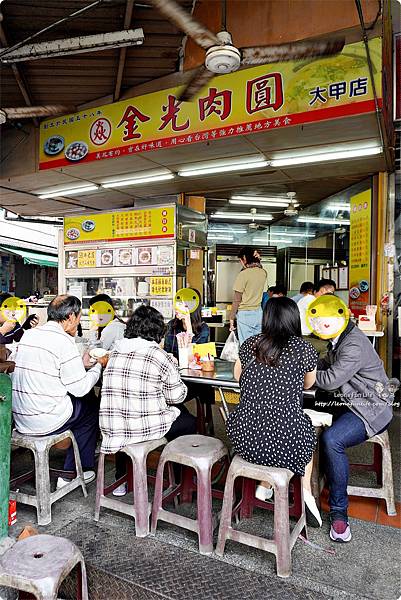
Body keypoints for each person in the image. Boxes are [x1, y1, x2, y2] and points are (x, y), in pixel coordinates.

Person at [226, 297, 321, 526]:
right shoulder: (305, 349)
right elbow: (308, 384)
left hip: (244, 440)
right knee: (306, 433)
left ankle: (264, 486)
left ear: (266, 319)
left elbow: (239, 377)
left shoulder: (250, 344)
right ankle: (304, 491)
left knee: (280, 426)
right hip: (285, 442)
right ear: (294, 319)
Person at [100, 304, 197, 497]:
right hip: (142, 429)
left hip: (112, 429)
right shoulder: (159, 356)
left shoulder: (115, 353)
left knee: (124, 414)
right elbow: (176, 396)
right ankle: (177, 482)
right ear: (158, 331)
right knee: (188, 421)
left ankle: (122, 479)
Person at [12, 295, 108, 486]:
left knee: (81, 402)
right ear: (71, 317)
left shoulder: (30, 334)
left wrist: (81, 364)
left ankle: (71, 463)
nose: (78, 322)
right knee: (90, 409)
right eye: (79, 317)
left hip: (21, 418)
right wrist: (99, 366)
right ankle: (70, 474)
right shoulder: (64, 341)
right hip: (44, 420)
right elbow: (80, 388)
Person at [315, 318, 393, 543]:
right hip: (350, 403)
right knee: (309, 417)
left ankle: (339, 511)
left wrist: (302, 374)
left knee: (332, 439)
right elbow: (326, 364)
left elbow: (330, 380)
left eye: (322, 322)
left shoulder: (352, 345)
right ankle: (312, 486)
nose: (317, 326)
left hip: (370, 408)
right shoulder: (340, 339)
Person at [230, 247, 267, 345]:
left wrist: (231, 318)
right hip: (259, 314)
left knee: (246, 346)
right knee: (258, 345)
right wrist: (257, 260)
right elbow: (258, 267)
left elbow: (237, 300)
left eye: (241, 260)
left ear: (245, 258)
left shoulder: (243, 274)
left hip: (245, 314)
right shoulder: (263, 272)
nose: (241, 263)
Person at [164, 289, 209, 358]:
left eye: (181, 304)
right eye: (177, 303)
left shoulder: (203, 329)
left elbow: (194, 356)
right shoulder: (171, 325)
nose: (176, 308)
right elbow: (167, 351)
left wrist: (188, 322)